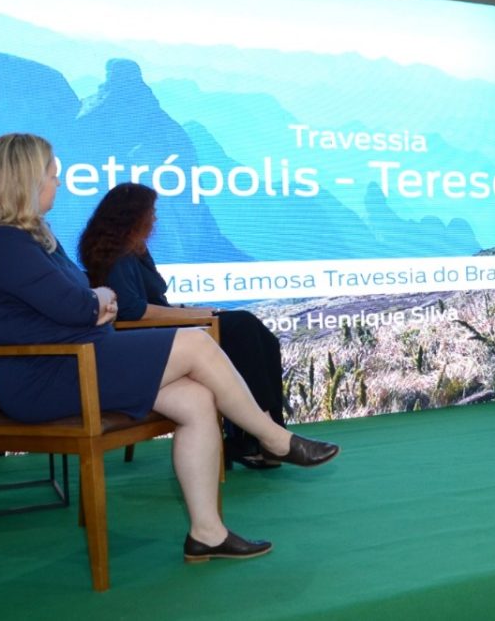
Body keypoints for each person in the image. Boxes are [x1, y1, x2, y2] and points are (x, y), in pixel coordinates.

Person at [0, 133, 339, 564]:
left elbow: (81, 297)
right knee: (196, 344)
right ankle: (274, 438)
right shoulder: (2, 243)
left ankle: (207, 533)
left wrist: (95, 301)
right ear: (23, 181)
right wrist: (99, 300)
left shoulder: (32, 239)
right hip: (48, 377)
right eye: (51, 175)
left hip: (79, 363)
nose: (57, 183)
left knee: (197, 399)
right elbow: (78, 304)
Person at [78, 182, 320, 469]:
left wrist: (199, 312)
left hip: (163, 329)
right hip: (147, 341)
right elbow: (133, 311)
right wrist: (197, 317)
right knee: (241, 328)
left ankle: (261, 434)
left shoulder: (136, 251)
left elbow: (158, 303)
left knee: (259, 335)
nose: (155, 218)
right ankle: (261, 436)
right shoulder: (116, 256)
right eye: (151, 212)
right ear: (132, 216)